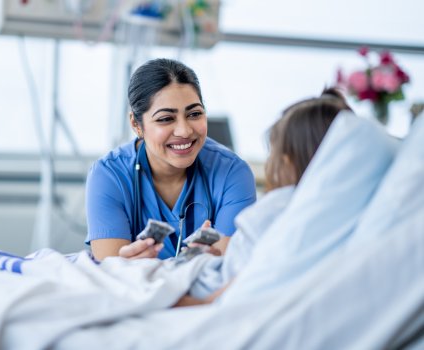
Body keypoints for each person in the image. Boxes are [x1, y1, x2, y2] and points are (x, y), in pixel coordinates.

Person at [174, 87, 353, 306]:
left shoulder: (280, 207)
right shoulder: (340, 213)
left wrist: (188, 289)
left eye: (272, 155)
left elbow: (240, 286)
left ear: (286, 162)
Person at [85, 58, 257, 261]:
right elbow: (111, 273)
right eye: (166, 118)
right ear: (136, 124)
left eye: (194, 114)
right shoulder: (109, 175)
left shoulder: (232, 173)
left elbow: (228, 270)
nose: (184, 131)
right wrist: (123, 267)